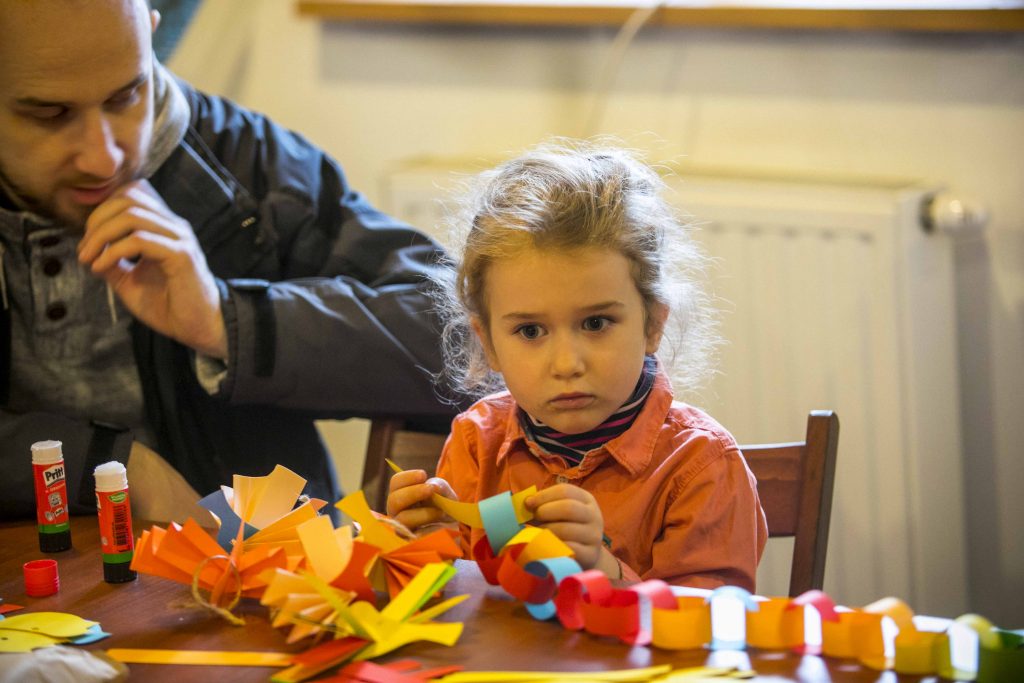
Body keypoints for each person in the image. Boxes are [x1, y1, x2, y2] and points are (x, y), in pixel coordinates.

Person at [0, 0, 455, 520]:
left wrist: (228, 323)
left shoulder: (247, 165)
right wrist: (113, 467)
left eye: (127, 95)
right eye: (49, 115)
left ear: (151, 36)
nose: (104, 157)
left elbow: (458, 333)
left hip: (253, 578)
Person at [387, 140, 768, 590]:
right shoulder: (477, 443)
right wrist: (430, 548)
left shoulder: (700, 466)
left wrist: (604, 572)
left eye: (596, 322)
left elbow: (707, 630)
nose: (567, 364)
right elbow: (470, 606)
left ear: (652, 325)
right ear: (488, 343)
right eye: (530, 331)